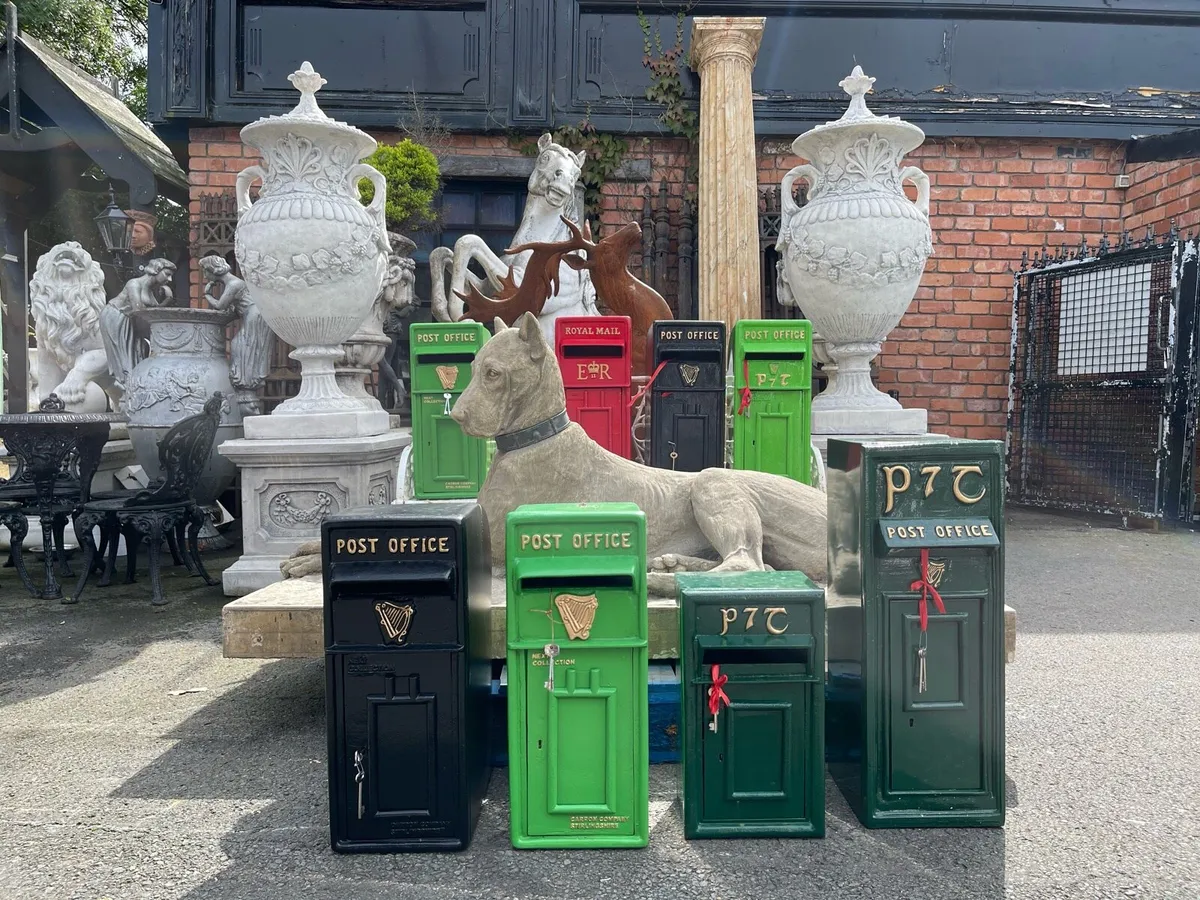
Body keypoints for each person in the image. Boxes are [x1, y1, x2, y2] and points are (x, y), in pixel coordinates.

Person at [200, 255, 273, 415]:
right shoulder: (234, 284)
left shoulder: (233, 284)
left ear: (213, 270)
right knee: (240, 347)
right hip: (253, 315)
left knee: (241, 347)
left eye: (206, 272)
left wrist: (207, 294)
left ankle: (246, 383)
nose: (205, 276)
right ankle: (246, 387)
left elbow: (220, 305)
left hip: (254, 316)